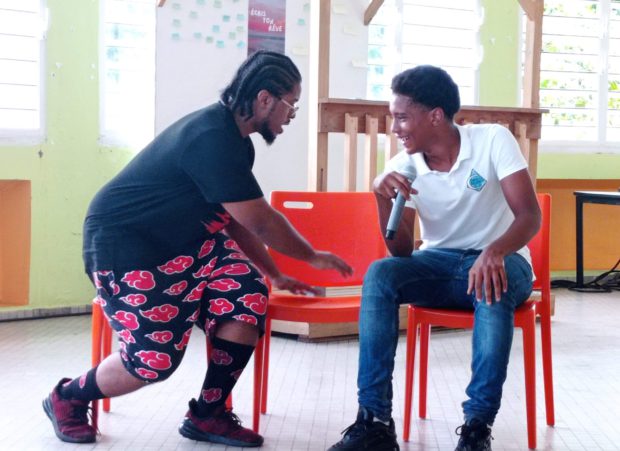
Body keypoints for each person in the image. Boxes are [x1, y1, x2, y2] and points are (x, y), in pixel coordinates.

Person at [42, 50, 352, 447]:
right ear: (264, 99)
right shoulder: (210, 138)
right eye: (292, 103)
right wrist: (312, 256)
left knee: (246, 295)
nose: (292, 115)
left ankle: (208, 414)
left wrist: (273, 274)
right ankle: (66, 397)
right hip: (129, 249)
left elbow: (235, 219)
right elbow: (262, 220)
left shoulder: (238, 144)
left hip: (191, 244)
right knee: (152, 363)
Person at [328, 65, 541, 451]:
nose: (394, 128)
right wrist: (381, 197)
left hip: (503, 260)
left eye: (401, 117)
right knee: (381, 274)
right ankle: (375, 422)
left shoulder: (493, 140)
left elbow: (529, 216)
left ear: (435, 116)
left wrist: (494, 251)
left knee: (491, 280)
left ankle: (477, 427)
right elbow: (402, 251)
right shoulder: (403, 166)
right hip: (438, 263)